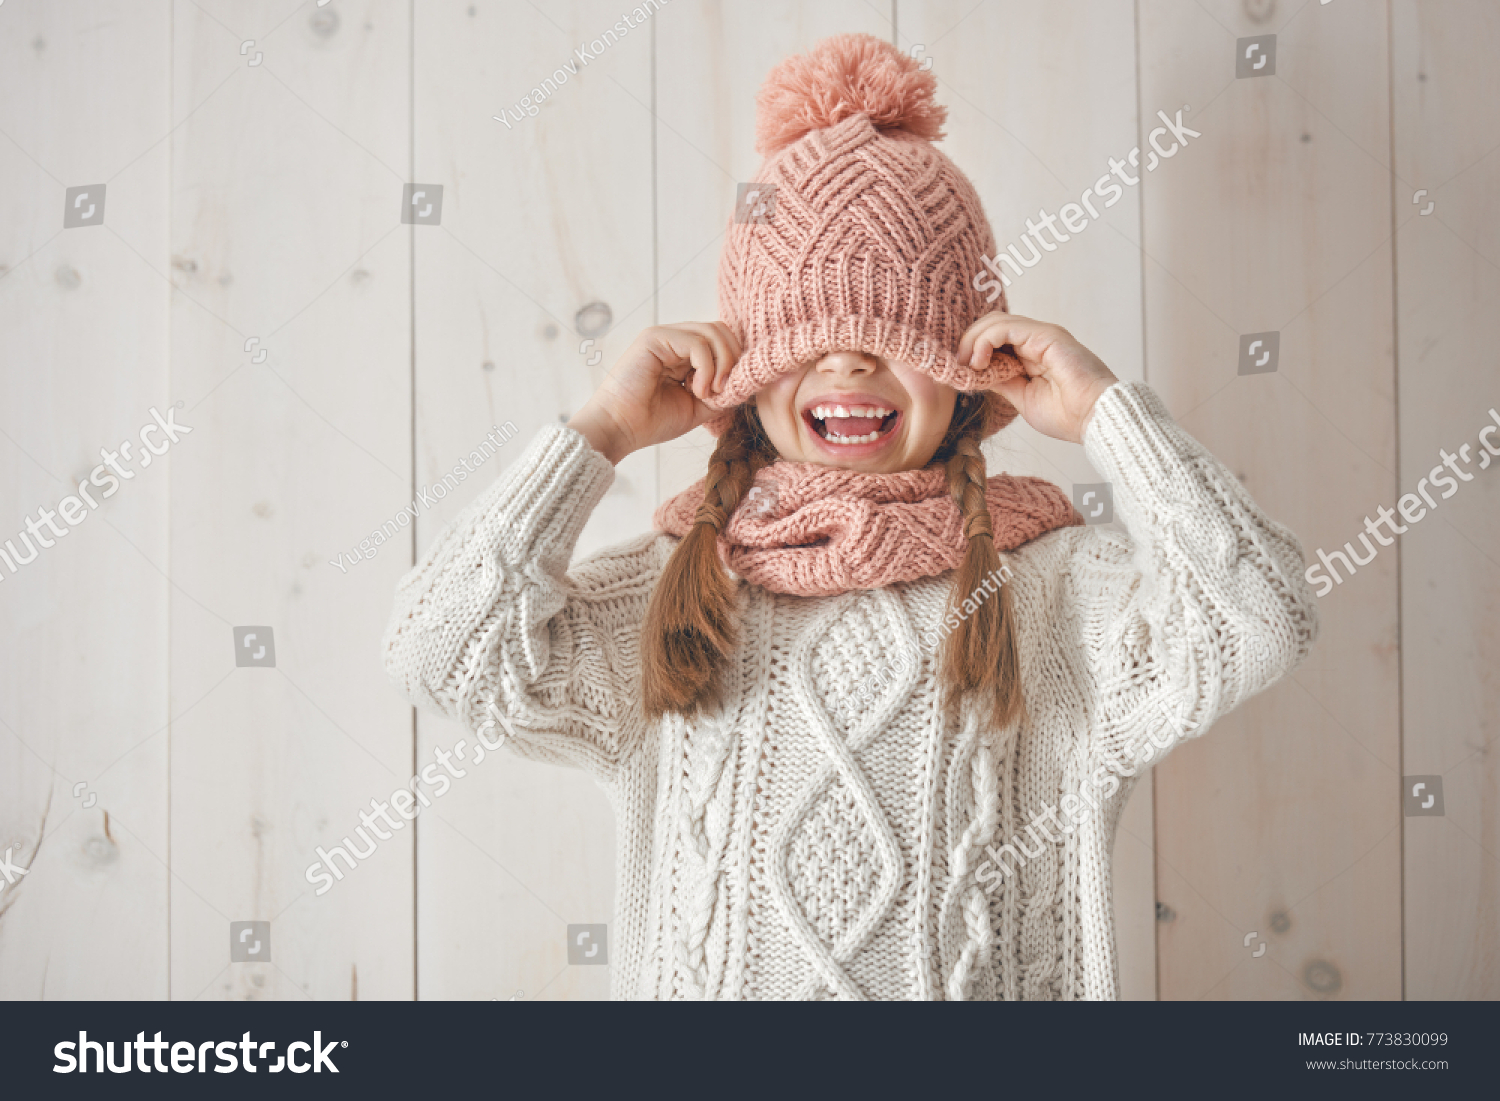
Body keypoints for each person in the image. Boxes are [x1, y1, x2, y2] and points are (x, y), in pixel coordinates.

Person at [381, 33, 1318, 1000]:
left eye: (894, 333)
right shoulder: (681, 587)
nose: (848, 364)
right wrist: (602, 430)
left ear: (965, 375)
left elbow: (1259, 617)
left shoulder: (1055, 589)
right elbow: (440, 648)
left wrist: (1109, 417)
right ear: (745, 380)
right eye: (807, 336)